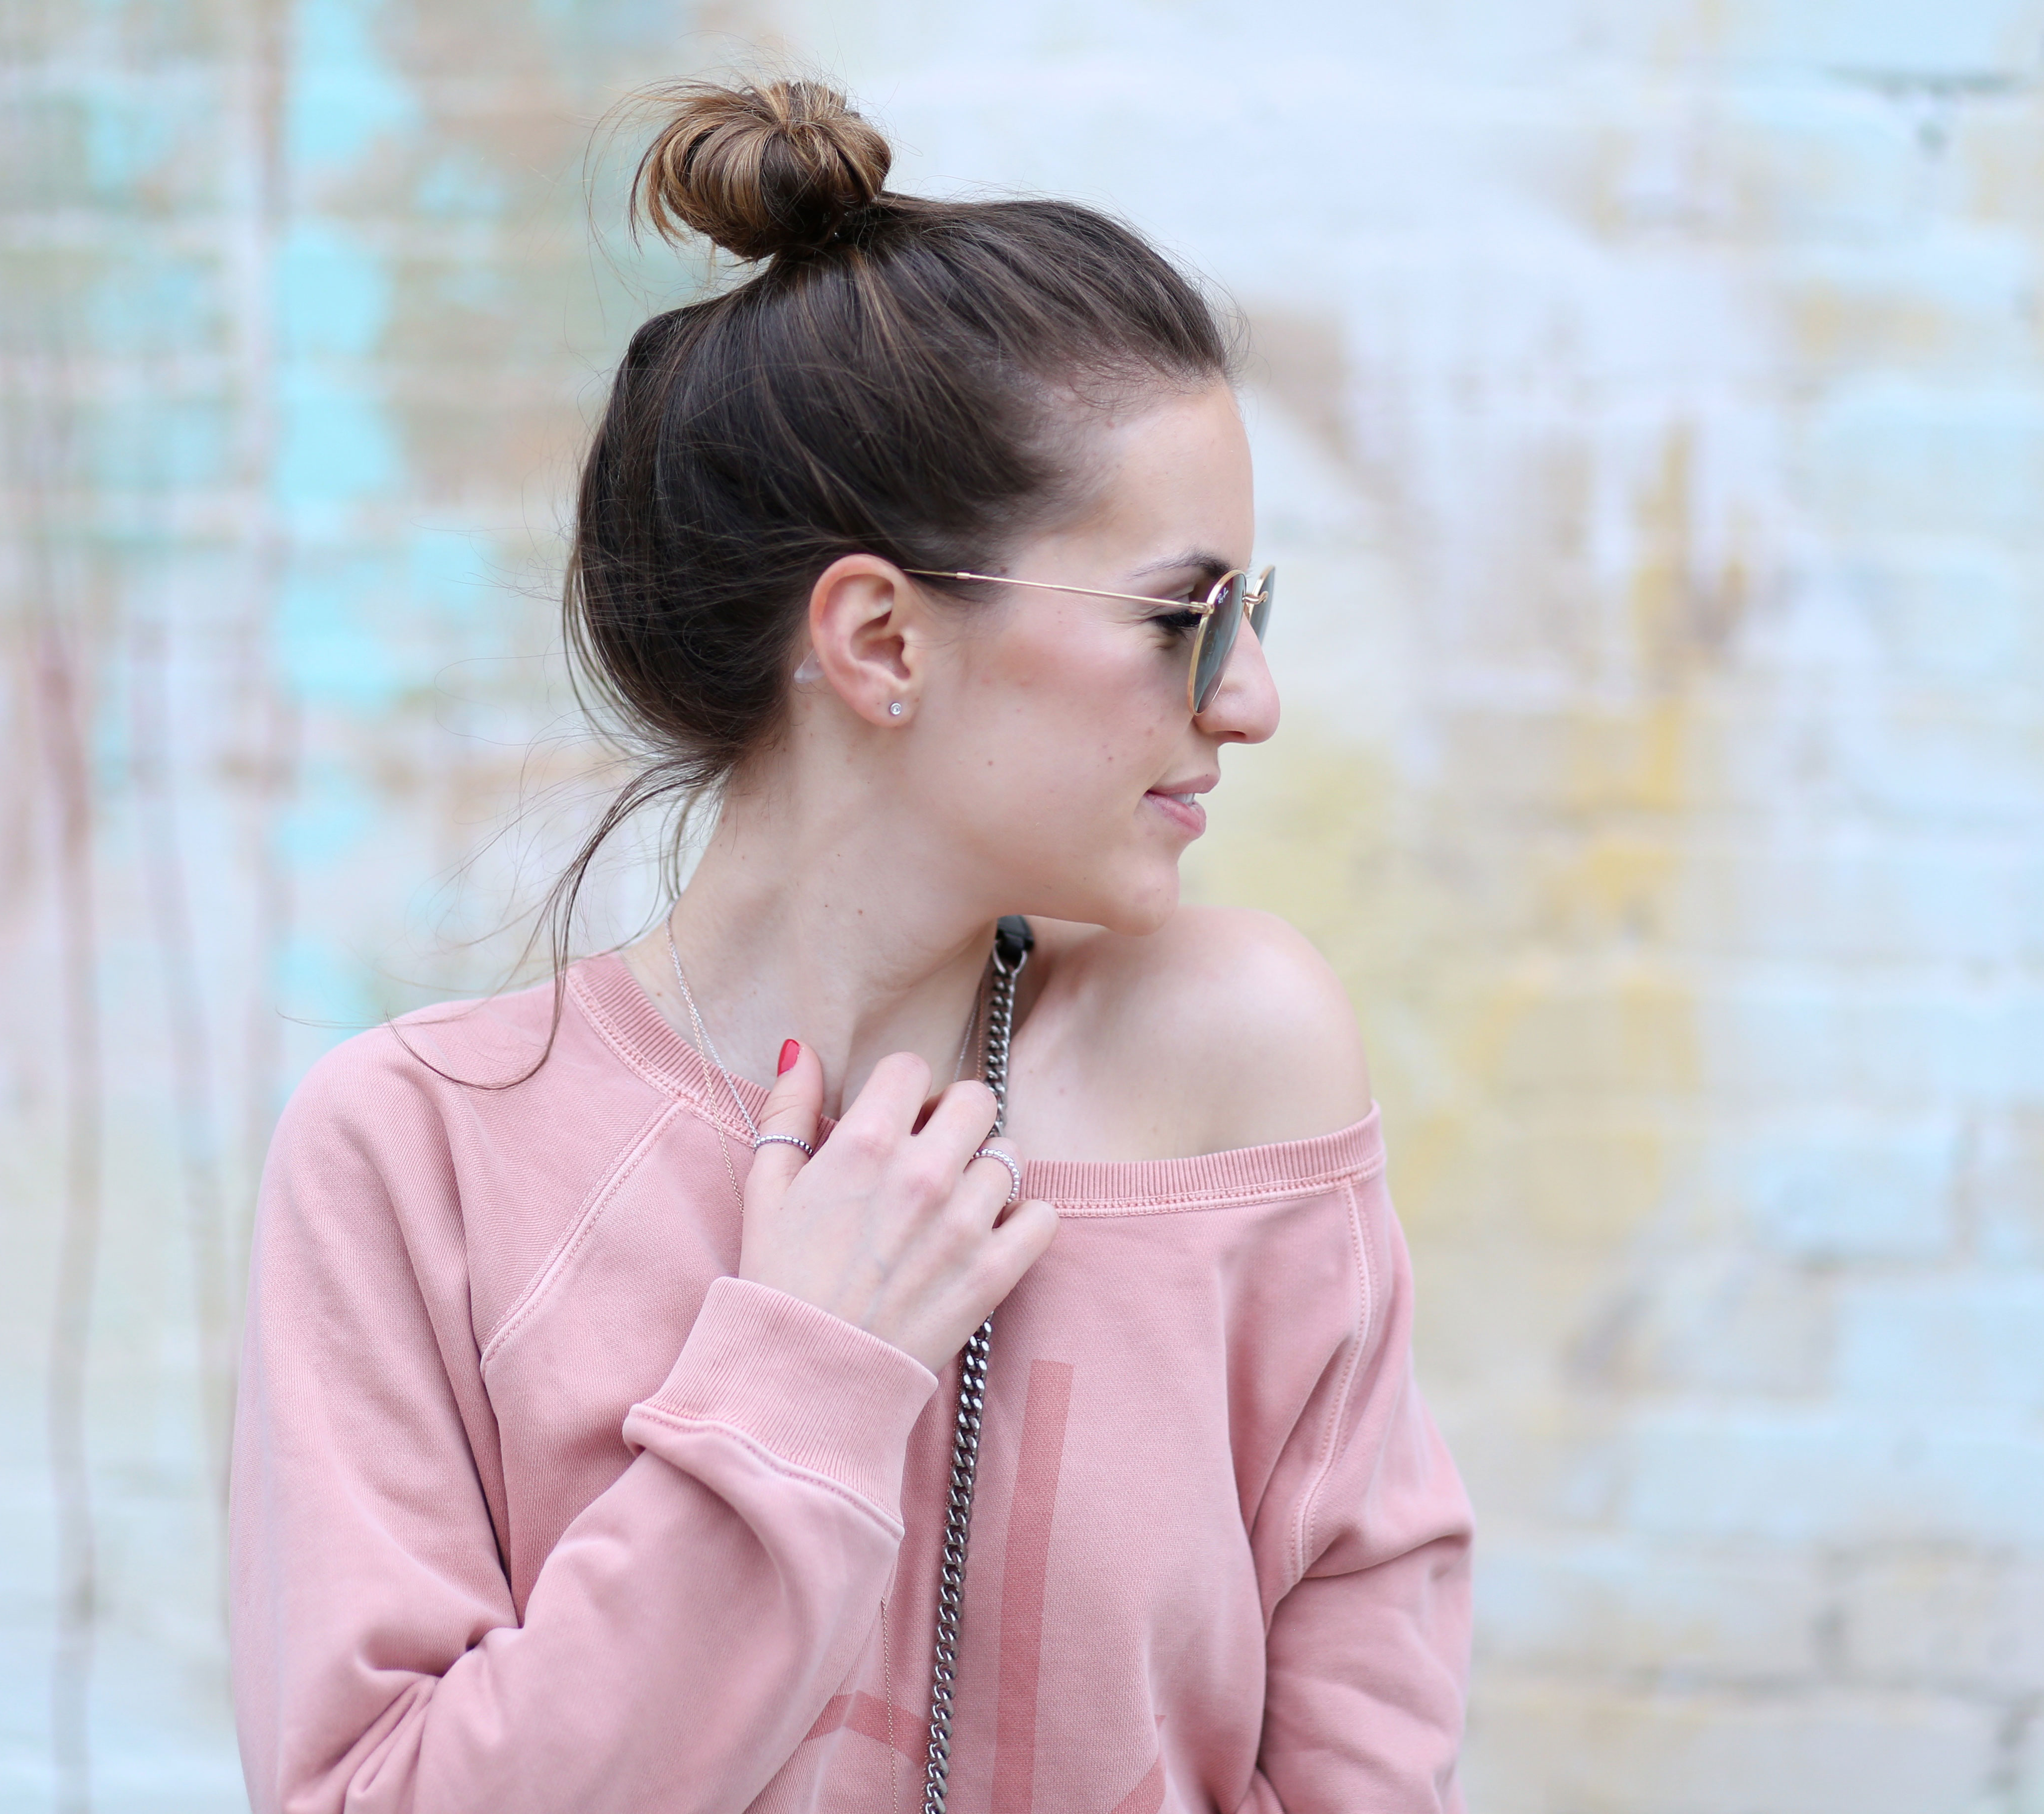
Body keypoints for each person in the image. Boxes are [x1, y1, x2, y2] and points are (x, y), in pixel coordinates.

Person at [228, 76, 1471, 1814]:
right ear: (882, 639)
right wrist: (806, 1377)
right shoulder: (420, 1153)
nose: (1249, 700)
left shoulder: (1238, 1063)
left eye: (1248, 622)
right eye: (1185, 620)